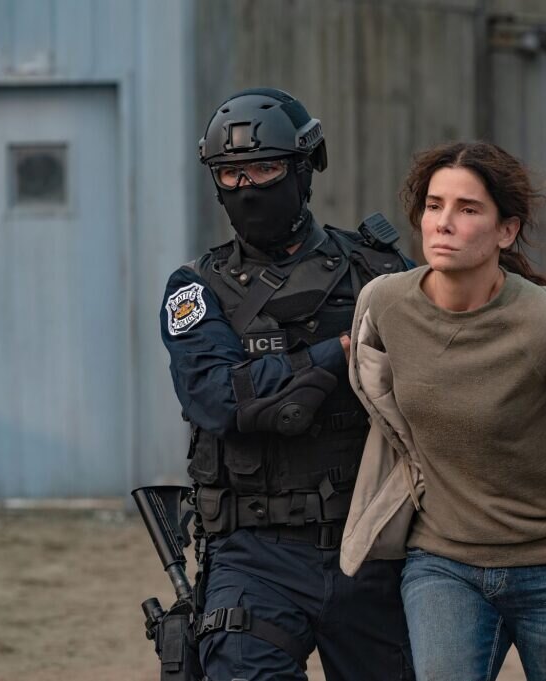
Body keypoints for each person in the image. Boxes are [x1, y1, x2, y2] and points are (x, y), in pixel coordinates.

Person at [340, 140, 546, 681]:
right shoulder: (385, 306)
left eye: (468, 209)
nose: (444, 223)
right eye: (434, 205)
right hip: (443, 560)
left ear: (506, 231)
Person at [160, 88, 413, 681]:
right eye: (232, 174)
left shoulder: (379, 273)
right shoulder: (195, 288)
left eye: (265, 168)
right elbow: (219, 398)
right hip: (253, 555)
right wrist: (337, 353)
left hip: (369, 543)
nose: (248, 187)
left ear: (305, 167)